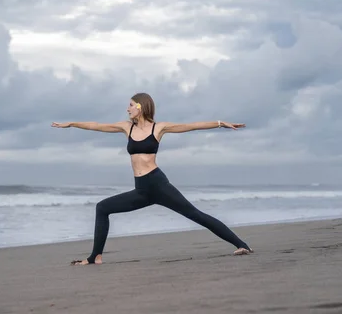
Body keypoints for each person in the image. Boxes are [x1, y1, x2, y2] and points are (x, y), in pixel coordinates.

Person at [51, 92, 253, 266]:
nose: (127, 108)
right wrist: (72, 124)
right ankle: (95, 256)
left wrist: (219, 123)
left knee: (195, 215)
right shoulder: (126, 127)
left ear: (140, 107)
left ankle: (242, 245)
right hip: (141, 190)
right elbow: (97, 126)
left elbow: (191, 126)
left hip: (158, 184)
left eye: (130, 105)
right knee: (102, 208)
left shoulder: (159, 128)